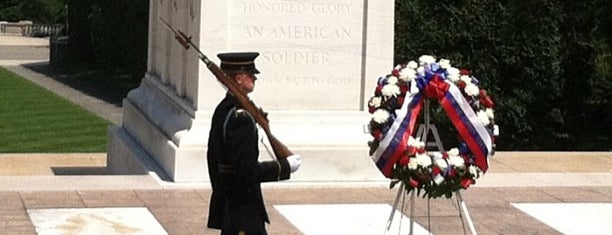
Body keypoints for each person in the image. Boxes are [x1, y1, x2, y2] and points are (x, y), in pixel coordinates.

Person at [206, 52, 302, 235]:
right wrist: (282, 167)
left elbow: (212, 159)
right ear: (239, 78)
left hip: (231, 204)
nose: (255, 77)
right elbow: (245, 170)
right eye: (250, 74)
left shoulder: (223, 109)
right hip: (243, 209)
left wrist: (220, 192)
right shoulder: (240, 118)